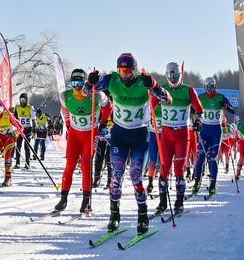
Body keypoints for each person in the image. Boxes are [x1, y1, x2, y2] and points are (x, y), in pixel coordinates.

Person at [85, 54, 170, 234]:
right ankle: (114, 216)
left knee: (136, 178)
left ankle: (143, 217)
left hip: (140, 135)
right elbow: (87, 92)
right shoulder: (111, 80)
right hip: (119, 134)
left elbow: (167, 99)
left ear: (135, 70)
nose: (124, 74)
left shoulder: (143, 82)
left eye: (128, 70)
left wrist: (153, 85)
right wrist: (89, 82)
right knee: (116, 178)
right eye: (121, 70)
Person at [55, 68, 112, 215]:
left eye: (80, 82)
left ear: (85, 82)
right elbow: (64, 111)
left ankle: (86, 201)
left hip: (90, 134)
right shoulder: (65, 96)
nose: (77, 86)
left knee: (86, 165)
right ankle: (63, 198)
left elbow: (108, 107)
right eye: (74, 82)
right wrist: (68, 126)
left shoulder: (97, 95)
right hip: (75, 134)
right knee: (69, 165)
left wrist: (104, 123)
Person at [152, 61, 202, 216]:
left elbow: (199, 110)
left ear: (180, 75)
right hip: (166, 135)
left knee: (179, 168)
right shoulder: (162, 90)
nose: (172, 78)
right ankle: (162, 202)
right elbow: (149, 106)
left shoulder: (189, 91)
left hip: (182, 134)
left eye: (175, 74)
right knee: (164, 168)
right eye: (170, 74)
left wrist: (198, 121)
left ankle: (179, 202)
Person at [191, 77, 235, 197]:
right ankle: (197, 182)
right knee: (200, 157)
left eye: (211, 87)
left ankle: (213, 184)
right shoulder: (201, 98)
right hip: (204, 130)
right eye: (207, 87)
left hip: (216, 130)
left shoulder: (221, 97)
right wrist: (195, 122)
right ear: (205, 87)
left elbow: (233, 111)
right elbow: (192, 111)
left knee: (212, 158)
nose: (209, 89)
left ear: (215, 86)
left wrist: (226, 106)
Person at [13, 93, 36, 169]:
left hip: (28, 130)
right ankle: (17, 163)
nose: (22, 101)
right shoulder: (17, 108)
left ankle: (27, 163)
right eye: (21, 100)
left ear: (26, 100)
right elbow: (14, 119)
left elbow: (33, 120)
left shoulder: (30, 108)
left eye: (24, 100)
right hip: (20, 129)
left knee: (27, 147)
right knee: (18, 146)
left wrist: (34, 131)